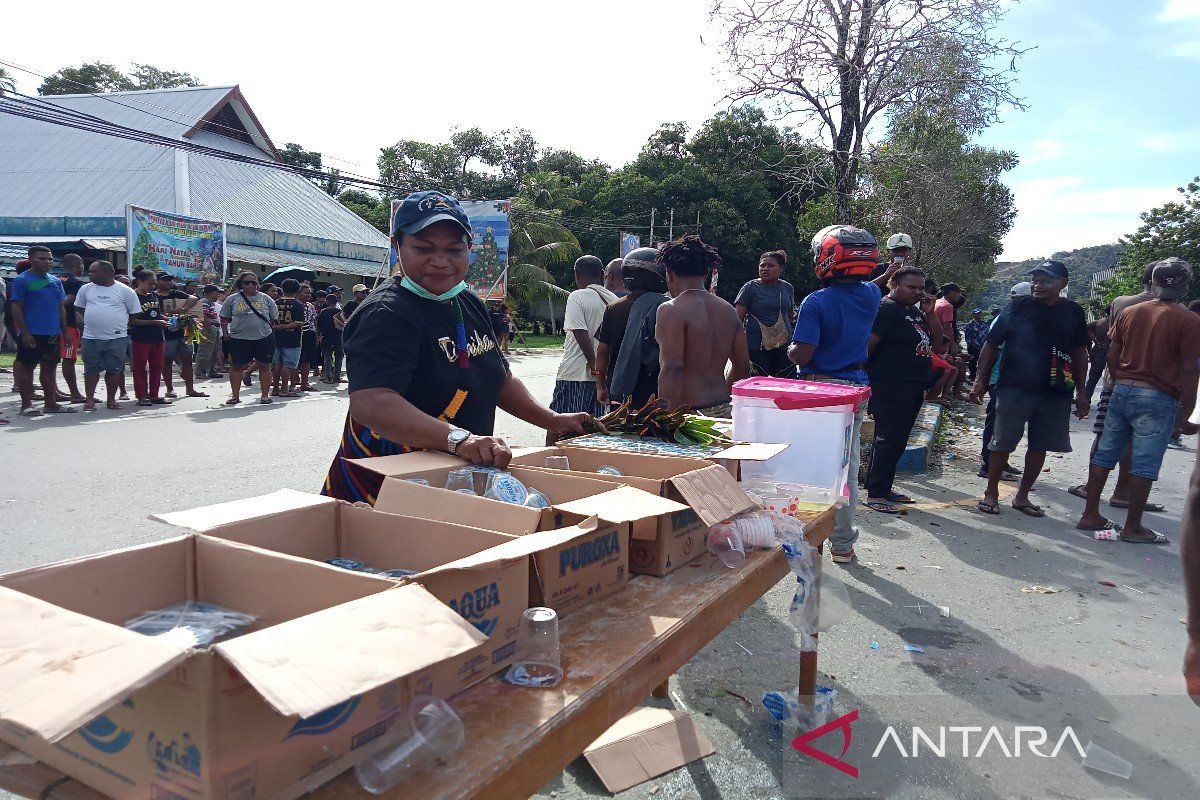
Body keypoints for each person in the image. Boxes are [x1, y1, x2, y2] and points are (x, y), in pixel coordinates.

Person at [321, 190, 593, 503]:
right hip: (387, 480)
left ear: (469, 249)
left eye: (453, 249)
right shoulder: (386, 313)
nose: (440, 261)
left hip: (456, 473)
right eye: (423, 248)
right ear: (397, 246)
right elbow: (372, 402)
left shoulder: (465, 301)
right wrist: (459, 440)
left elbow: (498, 377)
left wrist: (553, 419)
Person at [789, 225, 900, 563]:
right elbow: (872, 285)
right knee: (846, 469)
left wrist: (791, 347)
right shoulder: (868, 296)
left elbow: (803, 354)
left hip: (822, 390)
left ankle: (803, 534)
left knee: (810, 464)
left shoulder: (816, 302)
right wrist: (887, 274)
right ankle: (842, 544)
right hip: (855, 390)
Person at [1075, 258, 1200, 543]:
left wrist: (1122, 380)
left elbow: (1111, 354)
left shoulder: (1130, 311)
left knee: (1106, 453)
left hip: (1122, 389)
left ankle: (1090, 513)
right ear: (1185, 286)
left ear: (1152, 283)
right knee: (1145, 461)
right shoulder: (1190, 321)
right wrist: (1189, 411)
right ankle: (1133, 527)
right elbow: (1190, 369)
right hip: (1158, 396)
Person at [970, 260, 1090, 516]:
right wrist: (980, 379)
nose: (1037, 285)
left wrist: (1082, 391)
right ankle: (991, 492)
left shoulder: (1073, 311)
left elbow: (1080, 352)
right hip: (1015, 386)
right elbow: (992, 343)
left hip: (1056, 390)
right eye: (1035, 280)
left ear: (1063, 284)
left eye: (1046, 280)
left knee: (1040, 444)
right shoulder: (1018, 306)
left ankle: (1022, 496)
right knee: (1002, 442)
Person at [1067, 263, 1164, 511]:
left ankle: (1091, 488)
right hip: (1157, 388)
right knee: (1139, 442)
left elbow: (1111, 346)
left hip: (1118, 382)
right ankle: (1123, 493)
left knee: (1105, 436)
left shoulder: (1121, 303)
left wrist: (1108, 379)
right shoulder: (1180, 311)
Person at [863, 266, 943, 513]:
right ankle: (876, 493)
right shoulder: (887, 309)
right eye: (912, 287)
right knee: (889, 438)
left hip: (912, 383)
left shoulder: (914, 312)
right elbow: (869, 346)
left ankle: (882, 486)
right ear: (893, 285)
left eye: (921, 288)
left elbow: (937, 345)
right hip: (890, 383)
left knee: (898, 438)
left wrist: (930, 314)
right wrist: (866, 378)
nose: (918, 292)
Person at [656, 236, 750, 416]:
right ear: (706, 274)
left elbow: (672, 368)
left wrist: (664, 417)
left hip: (690, 412)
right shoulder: (728, 310)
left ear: (669, 274)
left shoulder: (671, 310)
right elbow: (742, 366)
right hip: (725, 405)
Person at [548, 255, 617, 442]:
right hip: (602, 377)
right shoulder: (614, 299)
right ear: (602, 275)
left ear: (577, 275)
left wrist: (593, 364)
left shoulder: (577, 296)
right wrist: (601, 372)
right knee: (592, 428)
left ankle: (549, 461)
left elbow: (579, 331)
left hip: (575, 374)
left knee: (557, 422)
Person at [596, 247, 669, 411]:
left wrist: (600, 386)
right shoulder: (667, 307)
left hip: (619, 388)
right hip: (654, 390)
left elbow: (602, 351)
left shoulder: (613, 308)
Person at [10, 246, 74, 416]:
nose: (47, 262)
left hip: (52, 332)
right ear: (31, 259)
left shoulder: (55, 281)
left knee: (50, 367)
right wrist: (25, 332)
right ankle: (26, 405)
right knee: (27, 366)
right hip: (32, 332)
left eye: (50, 259)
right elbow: (16, 308)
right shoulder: (22, 280)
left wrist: (64, 330)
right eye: (42, 258)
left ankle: (50, 403)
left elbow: (60, 306)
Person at [978, 282, 1032, 481]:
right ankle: (988, 465)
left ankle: (1001, 462)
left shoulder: (1022, 318)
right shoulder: (1005, 319)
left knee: (1007, 428)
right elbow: (990, 349)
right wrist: (981, 380)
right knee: (995, 426)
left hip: (1016, 381)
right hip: (999, 381)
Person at [73, 261, 140, 411]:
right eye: (89, 271)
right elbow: (79, 307)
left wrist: (116, 322)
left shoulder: (125, 291)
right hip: (91, 337)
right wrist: (96, 319)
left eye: (93, 272)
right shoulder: (85, 289)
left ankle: (111, 400)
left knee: (114, 370)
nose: (89, 274)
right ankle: (89, 400)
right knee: (90, 370)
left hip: (117, 338)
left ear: (108, 273)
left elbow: (134, 313)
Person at [735, 250, 796, 377]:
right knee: (759, 385)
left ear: (781, 268)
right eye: (762, 265)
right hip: (756, 348)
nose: (765, 269)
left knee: (785, 384)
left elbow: (790, 317)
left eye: (770, 266)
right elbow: (736, 320)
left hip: (783, 348)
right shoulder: (750, 287)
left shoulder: (787, 288)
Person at [220, 271, 277, 405]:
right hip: (239, 338)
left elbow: (273, 318)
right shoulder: (232, 299)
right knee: (237, 367)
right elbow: (224, 318)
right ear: (241, 284)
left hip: (263, 337)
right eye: (247, 282)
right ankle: (235, 396)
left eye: (254, 282)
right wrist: (226, 333)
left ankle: (264, 396)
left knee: (265, 366)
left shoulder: (266, 298)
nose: (251, 285)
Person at [155, 273, 206, 399]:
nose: (168, 282)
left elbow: (193, 298)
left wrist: (183, 309)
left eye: (169, 280)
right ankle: (169, 389)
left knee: (187, 362)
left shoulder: (176, 293)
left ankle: (190, 389)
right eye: (164, 280)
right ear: (157, 281)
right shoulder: (153, 296)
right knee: (167, 362)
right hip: (165, 333)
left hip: (183, 332)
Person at [129, 270, 171, 407]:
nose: (153, 286)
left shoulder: (154, 295)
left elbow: (157, 315)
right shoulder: (133, 296)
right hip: (141, 337)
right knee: (140, 368)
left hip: (158, 337)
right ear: (140, 282)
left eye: (154, 283)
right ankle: (141, 396)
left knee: (157, 367)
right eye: (150, 283)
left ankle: (154, 394)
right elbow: (133, 321)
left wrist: (172, 320)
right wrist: (155, 322)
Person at [57, 254, 88, 403]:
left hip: (50, 325)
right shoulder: (76, 282)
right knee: (69, 359)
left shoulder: (54, 278)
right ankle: (75, 393)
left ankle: (55, 391)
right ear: (79, 264)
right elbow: (66, 302)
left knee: (49, 361)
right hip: (67, 325)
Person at [271, 278, 305, 396]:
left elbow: (272, 319)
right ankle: (284, 389)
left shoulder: (276, 302)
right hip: (292, 337)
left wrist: (279, 327)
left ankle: (275, 388)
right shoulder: (297, 304)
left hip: (276, 336)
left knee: (278, 363)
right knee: (288, 364)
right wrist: (285, 326)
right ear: (297, 290)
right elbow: (299, 322)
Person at [195, 285, 222, 379]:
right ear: (212, 293)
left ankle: (211, 371)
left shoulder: (211, 303)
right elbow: (203, 316)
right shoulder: (205, 302)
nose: (219, 295)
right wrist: (208, 326)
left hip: (213, 328)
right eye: (217, 293)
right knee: (205, 351)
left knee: (213, 351)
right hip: (208, 329)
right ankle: (200, 372)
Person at [316, 293, 344, 383]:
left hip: (326, 336)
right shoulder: (339, 311)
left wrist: (319, 335)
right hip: (338, 336)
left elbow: (318, 324)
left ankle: (328, 377)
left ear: (327, 302)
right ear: (336, 301)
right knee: (339, 356)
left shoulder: (323, 311)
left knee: (327, 356)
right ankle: (337, 376)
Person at [297, 283, 319, 392]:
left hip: (309, 334)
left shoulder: (310, 306)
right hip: (295, 335)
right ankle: (293, 382)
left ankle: (304, 383)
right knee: (294, 360)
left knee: (307, 360)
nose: (309, 295)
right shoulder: (294, 305)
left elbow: (314, 320)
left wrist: (316, 334)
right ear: (298, 293)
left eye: (310, 293)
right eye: (306, 293)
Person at [963, 308, 989, 383]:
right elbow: (967, 336)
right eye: (976, 313)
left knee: (983, 361)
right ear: (973, 315)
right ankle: (972, 376)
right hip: (973, 346)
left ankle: (982, 377)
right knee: (972, 361)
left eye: (979, 313)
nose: (978, 315)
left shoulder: (985, 324)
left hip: (983, 346)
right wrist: (970, 345)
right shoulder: (970, 324)